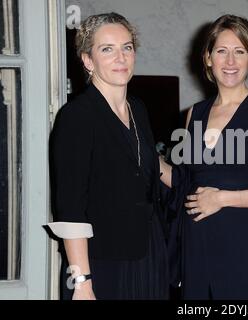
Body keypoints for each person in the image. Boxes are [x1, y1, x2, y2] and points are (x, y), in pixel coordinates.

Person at [160, 14, 248, 299]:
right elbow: (184, 181)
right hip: (199, 248)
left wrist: (223, 198)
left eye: (240, 52)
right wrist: (139, 151)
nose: (230, 61)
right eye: (221, 51)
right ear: (208, 58)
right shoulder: (194, 114)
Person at [48, 12, 169, 300]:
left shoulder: (138, 109)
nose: (121, 58)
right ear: (88, 61)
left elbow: (150, 165)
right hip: (102, 262)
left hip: (149, 253)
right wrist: (82, 282)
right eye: (107, 49)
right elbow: (71, 208)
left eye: (127, 47)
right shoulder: (77, 116)